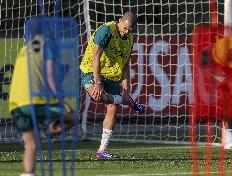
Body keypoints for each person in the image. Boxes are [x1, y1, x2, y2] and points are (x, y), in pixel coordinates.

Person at [79, 11, 143, 159]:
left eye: (130, 29)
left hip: (112, 74)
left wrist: (126, 91)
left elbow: (126, 66)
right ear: (120, 20)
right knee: (97, 95)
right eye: (124, 27)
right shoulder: (106, 30)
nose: (126, 31)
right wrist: (97, 82)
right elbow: (96, 55)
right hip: (91, 70)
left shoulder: (129, 39)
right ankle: (124, 100)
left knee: (113, 107)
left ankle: (102, 150)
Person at [9, 35, 73, 176]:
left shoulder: (25, 49)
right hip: (34, 102)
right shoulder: (48, 44)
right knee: (70, 117)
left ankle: (28, 173)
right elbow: (50, 76)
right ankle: (44, 134)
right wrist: (62, 101)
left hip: (15, 103)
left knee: (31, 145)